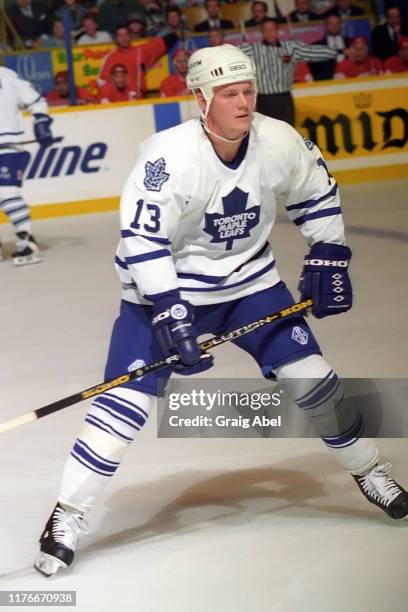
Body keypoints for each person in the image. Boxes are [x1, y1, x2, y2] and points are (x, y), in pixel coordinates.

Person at [34, 43, 408, 577]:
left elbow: (316, 191)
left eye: (248, 90)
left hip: (252, 285)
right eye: (229, 93)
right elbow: (142, 240)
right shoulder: (168, 158)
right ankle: (68, 513)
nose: (243, 102)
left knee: (316, 383)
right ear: (200, 98)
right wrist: (169, 309)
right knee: (121, 409)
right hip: (167, 294)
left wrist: (329, 252)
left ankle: (370, 470)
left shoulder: (277, 138)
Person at [0, 66, 53, 265]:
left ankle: (27, 241)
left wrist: (42, 122)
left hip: (6, 146)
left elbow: (36, 101)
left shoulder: (6, 75)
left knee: (7, 193)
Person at [240, 18, 337, 124]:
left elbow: (312, 52)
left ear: (278, 30)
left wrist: (337, 52)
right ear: (261, 32)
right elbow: (231, 54)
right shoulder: (253, 49)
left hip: (285, 99)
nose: (269, 33)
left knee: (288, 132)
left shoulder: (291, 47)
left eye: (272, 29)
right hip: (264, 100)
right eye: (266, 30)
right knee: (267, 135)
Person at [98, 25, 179, 98]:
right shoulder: (110, 58)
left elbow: (159, 44)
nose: (124, 38)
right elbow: (103, 82)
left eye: (126, 35)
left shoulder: (140, 52)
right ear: (116, 39)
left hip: (139, 98)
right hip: (119, 100)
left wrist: (176, 34)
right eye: (120, 35)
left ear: (130, 37)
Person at [310, 14, 352, 81]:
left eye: (337, 22)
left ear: (341, 25)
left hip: (351, 80)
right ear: (325, 25)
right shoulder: (316, 46)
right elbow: (314, 70)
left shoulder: (351, 43)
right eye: (331, 23)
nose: (334, 25)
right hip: (327, 83)